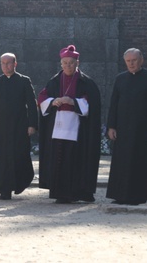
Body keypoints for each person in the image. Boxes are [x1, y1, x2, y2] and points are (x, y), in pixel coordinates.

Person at [37, 45, 102, 203]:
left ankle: (78, 192)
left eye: (71, 63)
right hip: (58, 127)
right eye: (65, 63)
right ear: (61, 64)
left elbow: (92, 103)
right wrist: (54, 101)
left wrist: (73, 102)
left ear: (77, 62)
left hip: (79, 129)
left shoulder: (86, 82)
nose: (68, 66)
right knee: (59, 159)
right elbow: (42, 97)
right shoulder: (54, 81)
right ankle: (60, 194)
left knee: (76, 159)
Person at [106, 48, 147, 205]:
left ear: (141, 60)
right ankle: (120, 195)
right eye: (128, 61)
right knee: (122, 162)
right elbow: (114, 104)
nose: (131, 63)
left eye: (134, 60)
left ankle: (138, 195)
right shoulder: (120, 79)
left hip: (143, 129)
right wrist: (111, 126)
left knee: (140, 162)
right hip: (123, 128)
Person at [0, 53, 39, 200]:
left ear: (15, 64)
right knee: (2, 158)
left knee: (19, 155)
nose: (6, 66)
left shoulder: (24, 81)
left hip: (20, 125)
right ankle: (4, 190)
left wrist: (32, 124)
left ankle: (19, 184)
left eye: (8, 63)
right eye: (3, 63)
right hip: (1, 127)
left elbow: (32, 104)